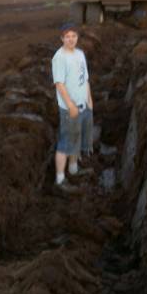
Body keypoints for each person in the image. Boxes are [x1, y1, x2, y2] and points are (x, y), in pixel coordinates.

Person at [51, 23, 94, 192]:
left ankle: (74, 169)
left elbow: (86, 79)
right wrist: (70, 105)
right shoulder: (59, 58)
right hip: (70, 109)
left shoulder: (80, 54)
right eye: (67, 36)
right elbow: (59, 84)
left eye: (74, 36)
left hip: (83, 105)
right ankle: (60, 180)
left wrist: (89, 99)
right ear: (62, 38)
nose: (71, 39)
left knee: (77, 138)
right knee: (66, 142)